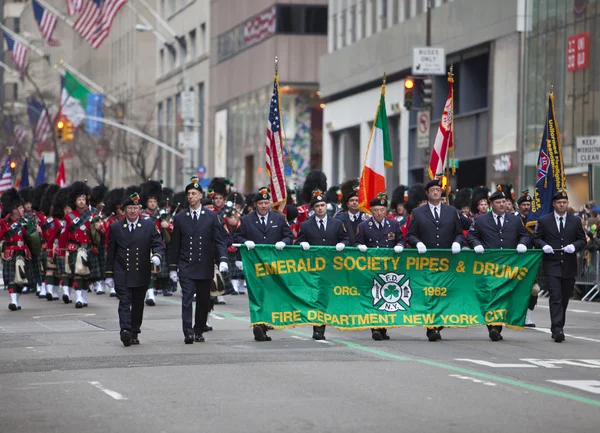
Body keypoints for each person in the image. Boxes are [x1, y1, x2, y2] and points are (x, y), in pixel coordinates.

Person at [169, 177, 230, 344]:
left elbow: (219, 240)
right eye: (189, 194)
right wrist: (173, 267)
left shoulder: (211, 217)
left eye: (194, 193)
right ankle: (188, 332)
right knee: (187, 299)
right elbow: (175, 243)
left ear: (201, 196)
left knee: (204, 300)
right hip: (186, 264)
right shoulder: (181, 217)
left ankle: (199, 330)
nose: (191, 197)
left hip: (204, 265)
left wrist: (223, 259)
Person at [466, 187, 530, 341]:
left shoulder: (514, 219)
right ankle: (493, 326)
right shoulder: (481, 220)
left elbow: (525, 235)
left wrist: (523, 243)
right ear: (491, 204)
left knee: (503, 296)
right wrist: (476, 245)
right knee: (491, 295)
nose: (502, 205)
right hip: (489, 265)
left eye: (504, 202)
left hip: (509, 265)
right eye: (498, 202)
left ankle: (497, 326)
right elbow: (471, 236)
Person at [406, 177, 464, 342]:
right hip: (427, 260)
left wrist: (457, 243)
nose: (436, 192)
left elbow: (459, 233)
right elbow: (410, 234)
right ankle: (432, 327)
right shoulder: (418, 212)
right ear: (427, 193)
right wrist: (417, 243)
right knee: (430, 292)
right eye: (432, 190)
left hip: (447, 260)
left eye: (438, 190)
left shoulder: (451, 211)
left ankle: (439, 323)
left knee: (444, 293)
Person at [105, 192, 165, 347]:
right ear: (124, 210)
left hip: (141, 270)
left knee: (138, 303)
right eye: (129, 208)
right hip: (122, 271)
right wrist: (109, 274)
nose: (132, 211)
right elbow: (110, 251)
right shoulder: (115, 227)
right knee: (124, 302)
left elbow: (158, 243)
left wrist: (157, 256)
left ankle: (134, 331)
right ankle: (125, 330)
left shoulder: (148, 225)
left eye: (135, 207)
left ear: (139, 209)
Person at [235, 187, 293, 341]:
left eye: (266, 203)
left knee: (271, 295)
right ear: (255, 204)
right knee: (257, 294)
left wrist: (283, 242)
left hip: (274, 265)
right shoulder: (247, 220)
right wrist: (245, 241)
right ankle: (258, 325)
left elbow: (289, 236)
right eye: (260, 203)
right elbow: (237, 237)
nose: (264, 206)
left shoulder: (279, 219)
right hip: (255, 265)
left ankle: (265, 323)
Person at [296, 189, 350, 340]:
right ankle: (318, 329)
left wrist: (342, 244)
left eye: (322, 205)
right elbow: (298, 241)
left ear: (326, 206)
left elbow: (346, 239)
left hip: (333, 267)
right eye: (317, 206)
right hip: (314, 268)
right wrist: (303, 243)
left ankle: (334, 322)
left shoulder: (337, 223)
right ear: (313, 209)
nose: (320, 208)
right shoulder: (306, 225)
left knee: (330, 298)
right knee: (318, 298)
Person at [533, 190, 586, 343]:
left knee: (564, 297)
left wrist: (574, 247)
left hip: (568, 265)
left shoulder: (575, 221)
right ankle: (557, 329)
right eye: (559, 203)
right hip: (552, 264)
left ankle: (559, 325)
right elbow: (537, 238)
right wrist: (544, 246)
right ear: (554, 204)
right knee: (555, 296)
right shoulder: (544, 220)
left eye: (564, 202)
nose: (562, 205)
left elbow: (582, 240)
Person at [355, 193, 404, 341]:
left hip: (388, 266)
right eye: (376, 210)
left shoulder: (393, 224)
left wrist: (400, 246)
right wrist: (360, 246)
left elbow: (401, 239)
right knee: (374, 296)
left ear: (386, 210)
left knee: (387, 297)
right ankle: (375, 327)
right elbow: (356, 242)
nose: (379, 213)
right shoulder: (363, 226)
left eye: (382, 209)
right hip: (371, 267)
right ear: (371, 211)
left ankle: (383, 328)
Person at [0, 189, 32, 311]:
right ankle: (13, 301)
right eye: (20, 207)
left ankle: (16, 300)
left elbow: (32, 237)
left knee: (21, 279)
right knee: (11, 278)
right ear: (14, 209)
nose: (23, 209)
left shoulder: (26, 221)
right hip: (10, 251)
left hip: (23, 252)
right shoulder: (4, 222)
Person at [516, 190, 539, 327]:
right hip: (517, 258)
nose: (526, 207)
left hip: (532, 258)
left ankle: (528, 316)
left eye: (529, 204)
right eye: (524, 204)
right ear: (519, 206)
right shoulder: (513, 219)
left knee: (534, 289)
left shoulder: (537, 220)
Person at [335, 179, 369, 245]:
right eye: (352, 200)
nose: (354, 203)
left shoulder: (367, 217)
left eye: (357, 200)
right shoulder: (339, 218)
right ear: (347, 203)